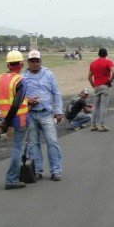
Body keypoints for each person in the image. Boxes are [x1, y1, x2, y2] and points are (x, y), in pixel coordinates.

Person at [23, 50, 64, 181]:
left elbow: (56, 93)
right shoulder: (22, 77)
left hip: (46, 113)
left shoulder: (48, 74)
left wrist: (58, 111)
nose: (35, 63)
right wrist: (28, 100)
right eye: (32, 61)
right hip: (31, 114)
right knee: (33, 144)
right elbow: (19, 97)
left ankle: (56, 170)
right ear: (28, 62)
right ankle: (37, 170)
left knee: (52, 141)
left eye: (37, 61)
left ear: (41, 61)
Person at [0, 50, 31, 190]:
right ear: (21, 64)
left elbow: (6, 100)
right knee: (18, 147)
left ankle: (17, 172)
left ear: (8, 64)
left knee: (19, 146)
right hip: (19, 118)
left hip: (6, 117)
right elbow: (16, 103)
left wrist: (5, 121)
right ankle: (11, 179)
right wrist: (6, 123)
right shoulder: (20, 80)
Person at [88, 47, 114, 132]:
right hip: (105, 85)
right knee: (103, 106)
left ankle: (93, 125)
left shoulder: (93, 63)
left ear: (98, 54)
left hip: (97, 86)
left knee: (96, 106)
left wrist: (94, 86)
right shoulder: (108, 62)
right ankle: (102, 125)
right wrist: (110, 81)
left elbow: (89, 77)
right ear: (106, 54)